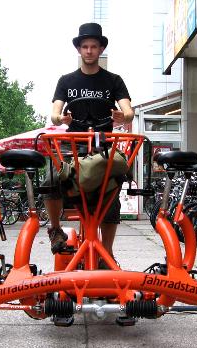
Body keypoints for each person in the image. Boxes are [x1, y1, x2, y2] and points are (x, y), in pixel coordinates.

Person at [44, 22, 134, 260]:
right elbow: (54, 112)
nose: (90, 51)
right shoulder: (66, 80)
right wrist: (60, 118)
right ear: (79, 49)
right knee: (52, 176)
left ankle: (109, 251)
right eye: (85, 46)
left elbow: (129, 111)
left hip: (103, 145)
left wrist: (123, 115)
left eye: (94, 46)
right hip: (73, 144)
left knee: (113, 185)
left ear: (101, 48)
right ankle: (55, 229)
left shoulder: (113, 80)